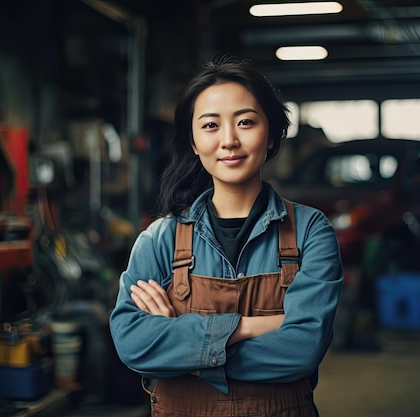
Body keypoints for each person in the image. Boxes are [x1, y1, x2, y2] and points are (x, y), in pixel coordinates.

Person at [109, 58, 343, 417]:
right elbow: (133, 345)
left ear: (273, 133)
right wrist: (250, 326)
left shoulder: (310, 232)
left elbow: (302, 350)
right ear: (193, 140)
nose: (229, 140)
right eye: (210, 125)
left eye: (246, 122)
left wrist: (182, 344)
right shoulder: (160, 238)